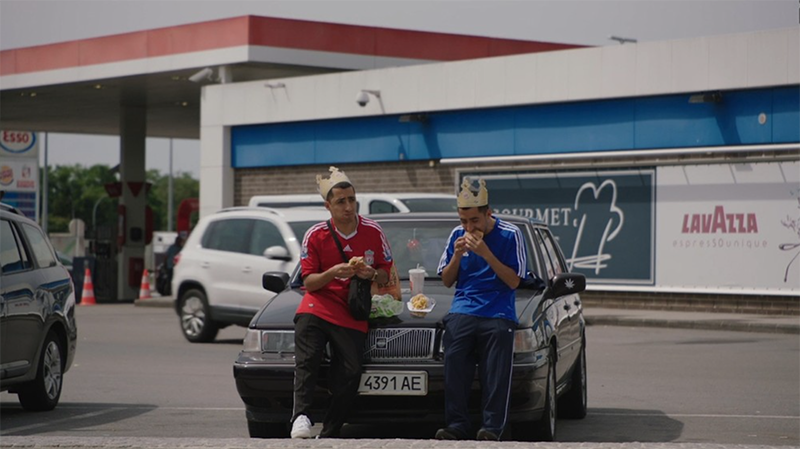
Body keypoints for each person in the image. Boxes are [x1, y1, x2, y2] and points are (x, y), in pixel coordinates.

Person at [290, 166, 393, 439]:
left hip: (352, 309)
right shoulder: (315, 234)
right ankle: (300, 417)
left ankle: (332, 428)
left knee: (350, 371)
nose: (349, 207)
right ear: (328, 206)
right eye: (341, 202)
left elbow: (386, 273)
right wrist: (333, 272)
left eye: (352, 200)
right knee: (308, 357)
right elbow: (308, 282)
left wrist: (370, 273)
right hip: (318, 303)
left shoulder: (373, 230)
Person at [435, 177, 529, 441]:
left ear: (488, 213)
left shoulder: (511, 234)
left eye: (474, 221)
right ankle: (456, 425)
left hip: (498, 310)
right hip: (464, 308)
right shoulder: (457, 235)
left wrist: (486, 253)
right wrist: (456, 256)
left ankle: (491, 427)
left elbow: (514, 280)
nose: (468, 227)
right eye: (464, 221)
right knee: (454, 364)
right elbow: (446, 281)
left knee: (495, 371)